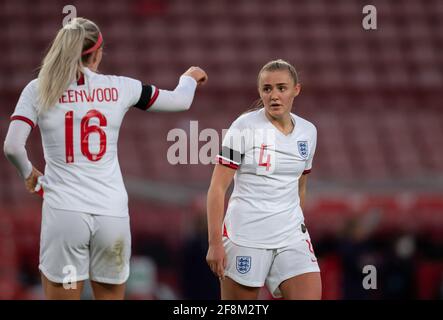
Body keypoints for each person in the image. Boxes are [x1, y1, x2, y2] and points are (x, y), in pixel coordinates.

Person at [3, 17, 207, 300]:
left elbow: (12, 146)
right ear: (98, 53)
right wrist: (190, 78)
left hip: (64, 213)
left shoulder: (38, 89)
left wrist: (29, 174)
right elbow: (180, 100)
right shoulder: (120, 87)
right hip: (111, 214)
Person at [206, 59, 321, 300]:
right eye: (267, 89)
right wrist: (215, 243)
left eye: (282, 88)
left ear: (296, 90)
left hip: (291, 235)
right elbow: (217, 188)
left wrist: (296, 222)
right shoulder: (243, 127)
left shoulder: (308, 132)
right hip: (246, 236)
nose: (274, 95)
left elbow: (300, 184)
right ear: (260, 92)